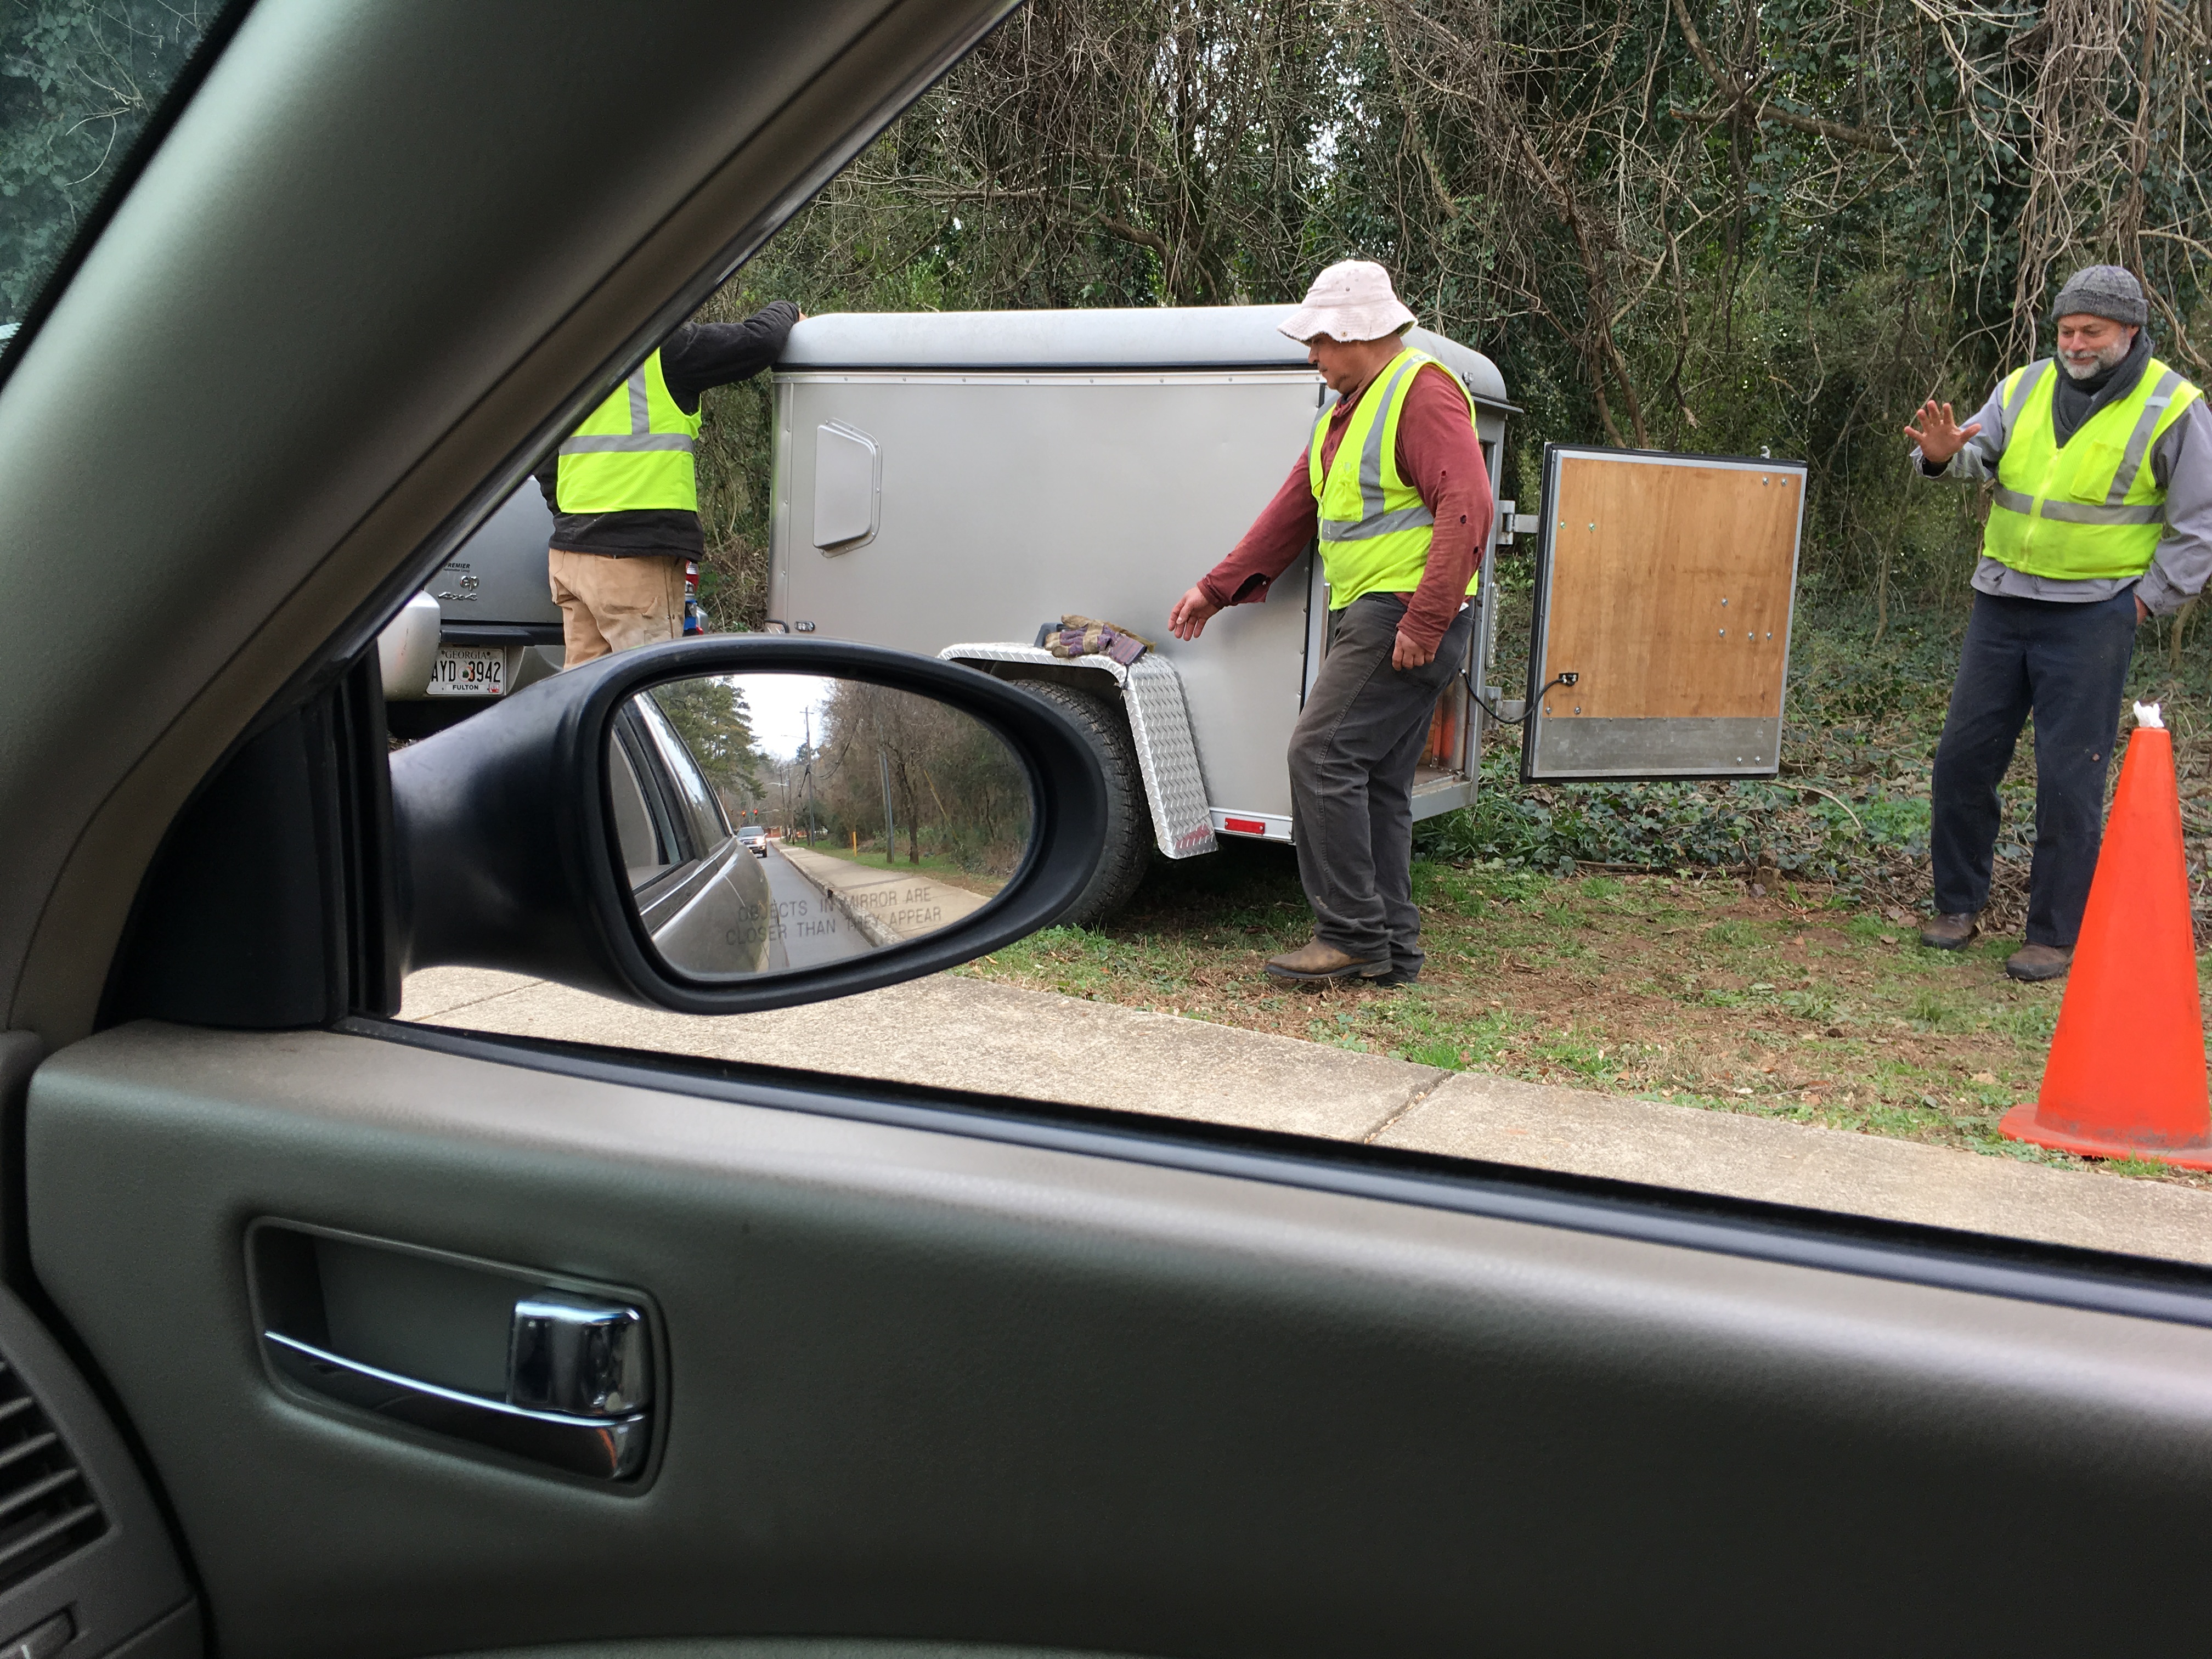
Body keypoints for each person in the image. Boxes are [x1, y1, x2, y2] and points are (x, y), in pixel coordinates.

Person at [1169, 260, 1492, 986]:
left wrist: (1425, 620)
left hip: (1402, 614)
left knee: (1319, 757)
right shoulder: (1340, 418)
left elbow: (1467, 504)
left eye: (1319, 340)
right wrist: (1215, 590)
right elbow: (1291, 515)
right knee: (1375, 783)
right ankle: (1391, 951)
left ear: (1358, 332)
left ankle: (1349, 934)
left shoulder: (1420, 392)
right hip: (1376, 617)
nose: (1311, 355)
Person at [1905, 264, 2209, 980]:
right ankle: (1957, 905)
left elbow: (2200, 526)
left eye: (2090, 332)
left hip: (2094, 617)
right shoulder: (2023, 386)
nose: (2074, 344)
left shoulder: (2175, 406)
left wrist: (2142, 602)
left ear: (2129, 331)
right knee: (1963, 759)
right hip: (2001, 601)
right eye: (2066, 330)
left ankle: (2052, 933)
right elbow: (1974, 454)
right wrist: (1941, 458)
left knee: (2070, 779)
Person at [536, 300, 799, 666]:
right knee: (645, 687)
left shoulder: (564, 358)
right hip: (633, 562)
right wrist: (789, 310)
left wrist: (572, 518)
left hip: (572, 556)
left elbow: (543, 460)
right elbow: (758, 343)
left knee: (585, 691)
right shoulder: (662, 349)